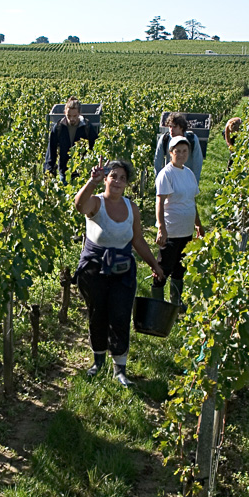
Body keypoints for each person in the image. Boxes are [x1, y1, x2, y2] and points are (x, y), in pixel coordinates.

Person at [74, 158, 163, 387]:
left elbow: (138, 240)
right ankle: (98, 362)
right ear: (106, 178)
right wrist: (91, 182)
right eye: (113, 176)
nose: (117, 181)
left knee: (121, 315)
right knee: (98, 313)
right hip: (95, 268)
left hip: (122, 269)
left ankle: (119, 368)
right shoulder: (95, 203)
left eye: (122, 178)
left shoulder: (131, 207)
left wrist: (154, 263)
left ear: (126, 184)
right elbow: (79, 205)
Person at [153, 135, 204, 311]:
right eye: (177, 151)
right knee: (163, 268)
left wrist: (198, 223)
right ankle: (158, 305)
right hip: (172, 230)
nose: (181, 154)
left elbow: (191, 201)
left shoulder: (188, 173)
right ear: (170, 153)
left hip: (186, 230)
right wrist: (161, 228)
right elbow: (159, 202)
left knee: (180, 268)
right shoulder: (166, 174)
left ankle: (175, 303)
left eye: (184, 151)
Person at [45, 96, 98, 182]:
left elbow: (95, 149)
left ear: (79, 113)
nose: (72, 119)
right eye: (69, 116)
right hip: (64, 172)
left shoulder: (87, 127)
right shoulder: (59, 127)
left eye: (75, 116)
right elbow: (51, 151)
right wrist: (49, 171)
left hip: (81, 174)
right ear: (65, 112)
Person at [153, 112, 204, 182]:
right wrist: (160, 181)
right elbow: (157, 161)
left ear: (181, 127)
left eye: (175, 127)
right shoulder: (164, 139)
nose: (171, 129)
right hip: (170, 178)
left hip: (186, 178)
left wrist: (194, 182)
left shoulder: (192, 139)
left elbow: (197, 162)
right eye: (170, 126)